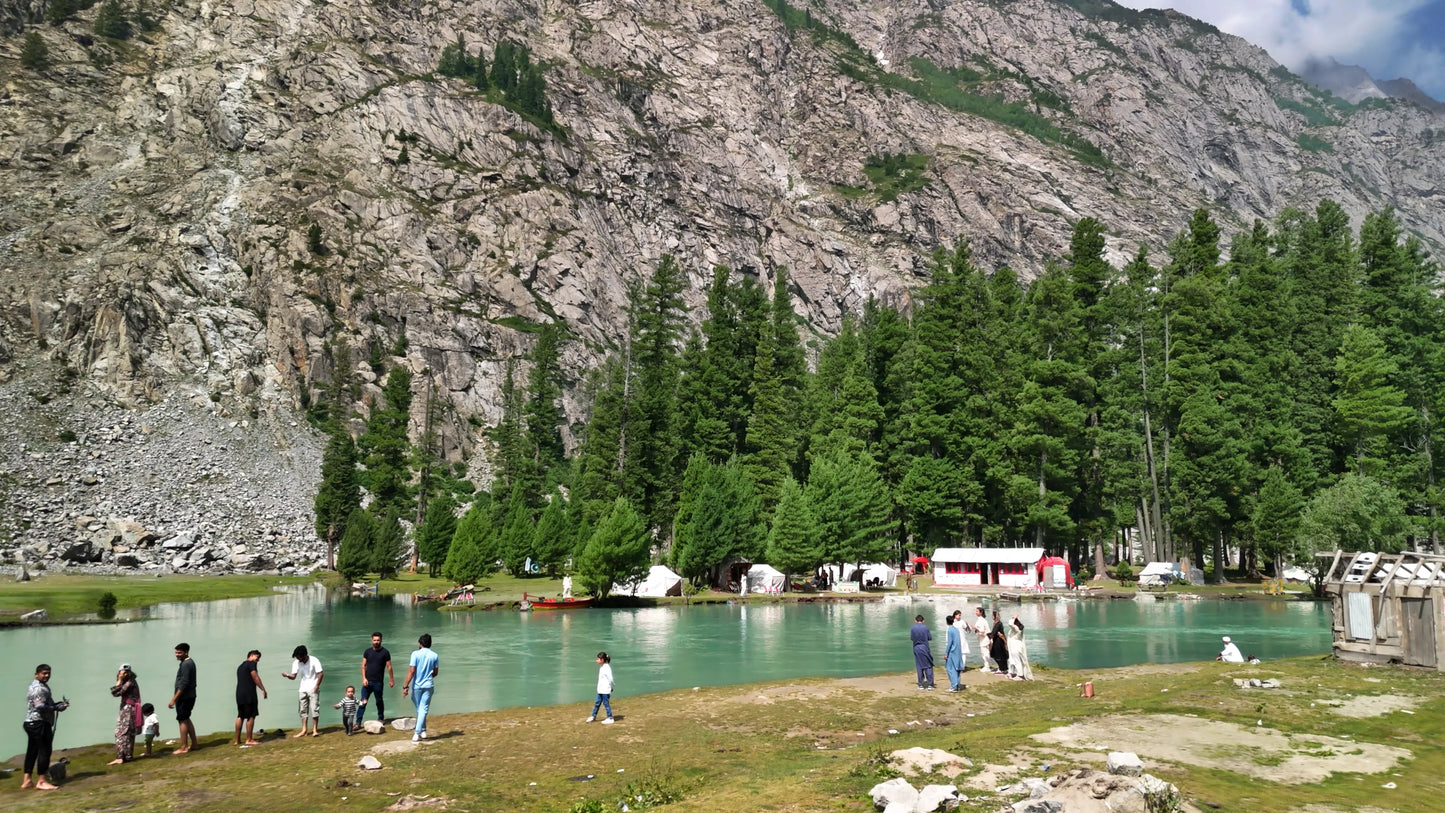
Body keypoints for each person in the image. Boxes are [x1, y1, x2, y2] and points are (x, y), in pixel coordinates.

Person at [21, 663, 68, 790]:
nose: (47, 676)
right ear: (36, 674)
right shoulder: (39, 688)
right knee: (44, 751)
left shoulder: (37, 685)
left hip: (31, 722)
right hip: (39, 723)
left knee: (32, 751)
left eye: (48, 673)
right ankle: (41, 781)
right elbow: (39, 706)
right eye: (44, 673)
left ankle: (27, 780)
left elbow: (44, 703)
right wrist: (55, 708)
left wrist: (59, 705)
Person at [402, 633, 440, 742]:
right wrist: (427, 676)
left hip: (417, 686)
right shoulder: (434, 655)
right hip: (428, 685)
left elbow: (411, 671)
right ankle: (423, 730)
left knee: (421, 708)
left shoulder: (415, 654)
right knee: (422, 709)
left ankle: (417, 732)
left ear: (420, 643)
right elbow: (436, 672)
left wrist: (405, 686)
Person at [282, 645, 325, 737]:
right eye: (297, 657)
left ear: (304, 655)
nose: (298, 659)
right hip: (302, 688)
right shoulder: (296, 662)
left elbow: (320, 674)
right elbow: (293, 677)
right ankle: (304, 730)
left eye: (299, 657)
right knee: (302, 710)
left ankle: (314, 730)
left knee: (314, 709)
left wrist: (317, 686)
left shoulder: (314, 660)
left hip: (313, 687)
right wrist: (287, 675)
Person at [107, 663, 142, 765]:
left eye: (126, 672)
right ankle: (127, 756)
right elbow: (116, 692)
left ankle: (120, 757)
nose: (124, 674)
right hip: (130, 709)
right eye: (123, 672)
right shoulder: (130, 681)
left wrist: (119, 679)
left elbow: (115, 692)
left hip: (128, 709)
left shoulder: (129, 683)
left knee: (121, 732)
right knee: (128, 733)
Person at [168, 643, 198, 754]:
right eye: (176, 652)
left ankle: (184, 747)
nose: (177, 654)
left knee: (182, 721)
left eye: (179, 653)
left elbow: (184, 683)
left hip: (185, 697)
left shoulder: (186, 664)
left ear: (186, 652)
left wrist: (174, 699)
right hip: (189, 696)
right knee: (186, 718)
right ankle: (194, 744)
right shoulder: (187, 662)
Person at [235, 650, 267, 746]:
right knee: (251, 715)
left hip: (239, 694)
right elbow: (255, 677)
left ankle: (237, 740)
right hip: (248, 694)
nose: (258, 660)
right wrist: (263, 689)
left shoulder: (241, 666)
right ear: (251, 655)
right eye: (257, 657)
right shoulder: (251, 664)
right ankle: (249, 739)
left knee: (240, 716)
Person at [359, 632, 393, 723]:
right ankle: (358, 722)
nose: (376, 642)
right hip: (367, 682)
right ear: (372, 640)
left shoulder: (385, 652)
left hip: (378, 682)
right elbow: (363, 666)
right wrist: (364, 678)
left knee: (379, 701)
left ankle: (381, 718)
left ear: (381, 640)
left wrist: (391, 680)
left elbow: (389, 667)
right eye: (374, 640)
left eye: (378, 640)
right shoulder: (367, 652)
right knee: (363, 702)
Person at [586, 651, 615, 724]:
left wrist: (611, 687)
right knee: (597, 703)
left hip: (605, 690)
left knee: (606, 704)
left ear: (602, 660)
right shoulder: (602, 667)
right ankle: (593, 716)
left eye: (598, 659)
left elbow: (610, 679)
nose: (596, 660)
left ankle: (610, 717)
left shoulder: (607, 668)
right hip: (601, 690)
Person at [910, 614, 935, 689]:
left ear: (915, 620)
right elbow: (930, 638)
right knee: (928, 665)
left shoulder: (913, 628)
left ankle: (920, 684)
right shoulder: (925, 627)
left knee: (919, 665)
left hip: (916, 647)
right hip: (924, 647)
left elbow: (912, 638)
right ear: (923, 621)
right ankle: (930, 684)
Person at [943, 613, 965, 692]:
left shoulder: (950, 630)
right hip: (957, 651)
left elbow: (949, 643)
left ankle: (953, 686)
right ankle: (957, 684)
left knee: (950, 669)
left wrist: (946, 653)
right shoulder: (956, 629)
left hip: (952, 651)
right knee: (957, 668)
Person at [1007, 616, 1033, 681]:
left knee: (1017, 661)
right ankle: (1012, 673)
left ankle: (1020, 675)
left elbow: (1010, 624)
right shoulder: (1014, 630)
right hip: (1013, 646)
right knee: (1012, 660)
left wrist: (1014, 618)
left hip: (1016, 647)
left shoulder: (1016, 629)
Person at [989, 611, 1010, 676]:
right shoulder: (997, 623)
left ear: (995, 616)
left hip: (998, 641)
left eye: (992, 615)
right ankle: (1003, 668)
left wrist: (987, 636)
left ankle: (1002, 669)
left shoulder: (998, 624)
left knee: (998, 655)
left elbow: (994, 633)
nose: (992, 617)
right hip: (997, 640)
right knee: (999, 654)